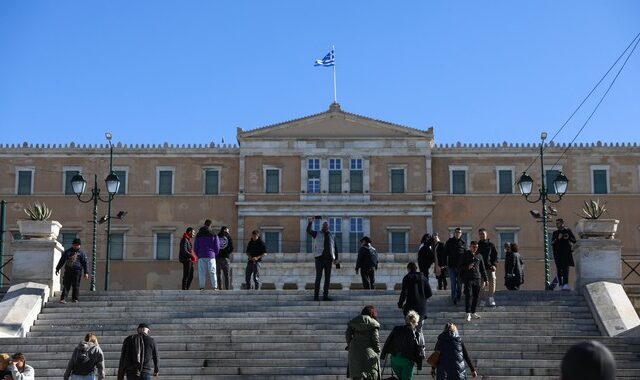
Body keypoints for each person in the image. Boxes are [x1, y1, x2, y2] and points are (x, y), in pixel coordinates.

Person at [381, 310, 424, 380]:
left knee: (400, 377)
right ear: (415, 322)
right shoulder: (416, 334)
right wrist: (419, 365)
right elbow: (419, 349)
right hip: (407, 361)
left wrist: (383, 355)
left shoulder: (396, 329)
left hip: (395, 360)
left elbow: (388, 342)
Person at [306, 216, 340, 301]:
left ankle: (325, 296)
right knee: (318, 277)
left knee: (327, 278)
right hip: (319, 259)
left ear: (328, 227)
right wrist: (310, 222)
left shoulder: (332, 235)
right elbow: (308, 231)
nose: (325, 227)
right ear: (322, 227)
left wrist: (336, 260)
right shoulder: (317, 233)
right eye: (323, 226)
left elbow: (335, 248)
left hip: (329, 259)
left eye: (326, 226)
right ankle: (316, 296)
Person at [345, 305, 381, 379]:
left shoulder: (354, 322)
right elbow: (375, 339)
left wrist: (350, 345)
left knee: (356, 375)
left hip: (354, 352)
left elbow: (347, 334)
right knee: (370, 375)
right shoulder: (374, 323)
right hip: (369, 352)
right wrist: (378, 351)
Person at [398, 262, 432, 333]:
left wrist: (400, 304)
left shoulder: (407, 278)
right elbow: (429, 293)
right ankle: (421, 344)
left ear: (408, 269)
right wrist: (422, 297)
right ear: (416, 269)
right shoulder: (423, 278)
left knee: (410, 330)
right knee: (419, 330)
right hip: (422, 308)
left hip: (410, 308)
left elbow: (404, 293)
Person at [458, 241, 488, 321]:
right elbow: (460, 267)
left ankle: (473, 312)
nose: (475, 248)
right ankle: (467, 313)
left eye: (476, 247)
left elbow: (483, 268)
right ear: (470, 246)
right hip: (468, 278)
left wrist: (486, 279)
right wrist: (467, 267)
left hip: (477, 278)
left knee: (476, 296)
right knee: (468, 295)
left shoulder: (479, 256)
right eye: (473, 247)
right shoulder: (465, 254)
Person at [55, 238, 89, 303]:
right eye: (75, 245)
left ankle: (75, 299)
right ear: (72, 245)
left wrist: (86, 272)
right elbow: (62, 261)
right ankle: (63, 299)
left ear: (79, 245)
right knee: (66, 285)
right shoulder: (67, 252)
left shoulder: (82, 253)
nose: (76, 246)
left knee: (76, 285)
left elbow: (85, 263)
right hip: (68, 270)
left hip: (77, 271)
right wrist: (57, 268)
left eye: (77, 245)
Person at [194, 219, 220, 290]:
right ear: (210, 225)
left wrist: (198, 254)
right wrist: (215, 254)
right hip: (211, 255)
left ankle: (202, 287)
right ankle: (215, 287)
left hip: (201, 256)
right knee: (212, 271)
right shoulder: (214, 234)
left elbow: (195, 246)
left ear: (204, 224)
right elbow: (217, 246)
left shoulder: (198, 234)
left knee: (202, 272)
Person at [551, 218, 576, 290]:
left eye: (558, 223)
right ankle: (561, 284)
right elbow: (552, 243)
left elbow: (574, 240)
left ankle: (566, 284)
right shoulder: (555, 233)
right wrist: (558, 239)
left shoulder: (568, 231)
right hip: (557, 254)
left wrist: (569, 237)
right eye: (556, 223)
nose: (557, 225)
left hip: (566, 253)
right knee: (559, 269)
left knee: (565, 269)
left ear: (562, 223)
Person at [477, 228, 498, 307]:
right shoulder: (477, 245)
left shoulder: (491, 245)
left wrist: (494, 265)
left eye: (483, 233)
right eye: (480, 234)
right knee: (481, 285)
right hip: (480, 269)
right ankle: (482, 300)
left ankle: (491, 298)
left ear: (486, 234)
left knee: (492, 281)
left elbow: (495, 256)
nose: (482, 235)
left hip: (490, 267)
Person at [444, 228, 466, 305]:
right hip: (451, 267)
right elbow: (445, 254)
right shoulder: (449, 242)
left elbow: (465, 255)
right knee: (453, 284)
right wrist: (444, 265)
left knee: (459, 284)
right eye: (456, 232)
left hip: (460, 268)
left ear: (461, 234)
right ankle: (454, 298)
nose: (457, 234)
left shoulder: (463, 243)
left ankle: (458, 297)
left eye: (459, 232)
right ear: (454, 233)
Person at [216, 226, 234, 290]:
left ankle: (220, 289)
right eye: (228, 231)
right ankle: (227, 289)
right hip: (225, 258)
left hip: (217, 258)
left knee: (219, 275)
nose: (228, 232)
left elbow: (214, 247)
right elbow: (232, 248)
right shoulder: (228, 237)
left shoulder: (216, 237)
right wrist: (227, 253)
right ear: (225, 230)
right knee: (227, 275)